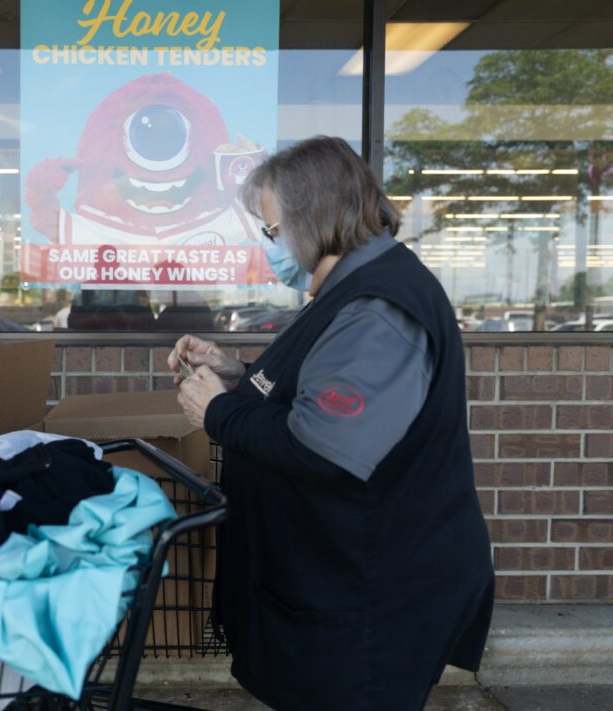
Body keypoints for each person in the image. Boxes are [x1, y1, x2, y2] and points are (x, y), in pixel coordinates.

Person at [168, 136, 494, 711]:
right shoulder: (346, 292)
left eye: (270, 231)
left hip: (372, 599)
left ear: (312, 217)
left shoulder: (379, 310)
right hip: (341, 581)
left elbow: (323, 446)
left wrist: (217, 412)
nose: (268, 244)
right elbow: (315, 392)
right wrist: (237, 375)